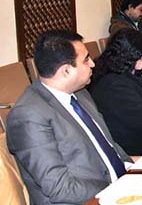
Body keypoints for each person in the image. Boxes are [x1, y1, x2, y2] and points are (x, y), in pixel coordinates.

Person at [6, 30, 131, 204]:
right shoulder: (28, 115)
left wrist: (133, 170)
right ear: (66, 71)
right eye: (86, 59)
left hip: (122, 188)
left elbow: (109, 146)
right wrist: (117, 187)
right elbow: (59, 188)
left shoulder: (81, 94)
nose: (93, 64)